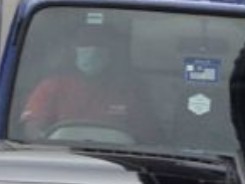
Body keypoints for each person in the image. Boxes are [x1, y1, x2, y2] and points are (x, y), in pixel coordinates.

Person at [17, 16, 150, 141]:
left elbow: (146, 137)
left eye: (100, 44)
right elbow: (32, 128)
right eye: (85, 44)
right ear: (72, 49)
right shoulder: (51, 87)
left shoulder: (127, 90)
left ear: (112, 51)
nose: (92, 50)